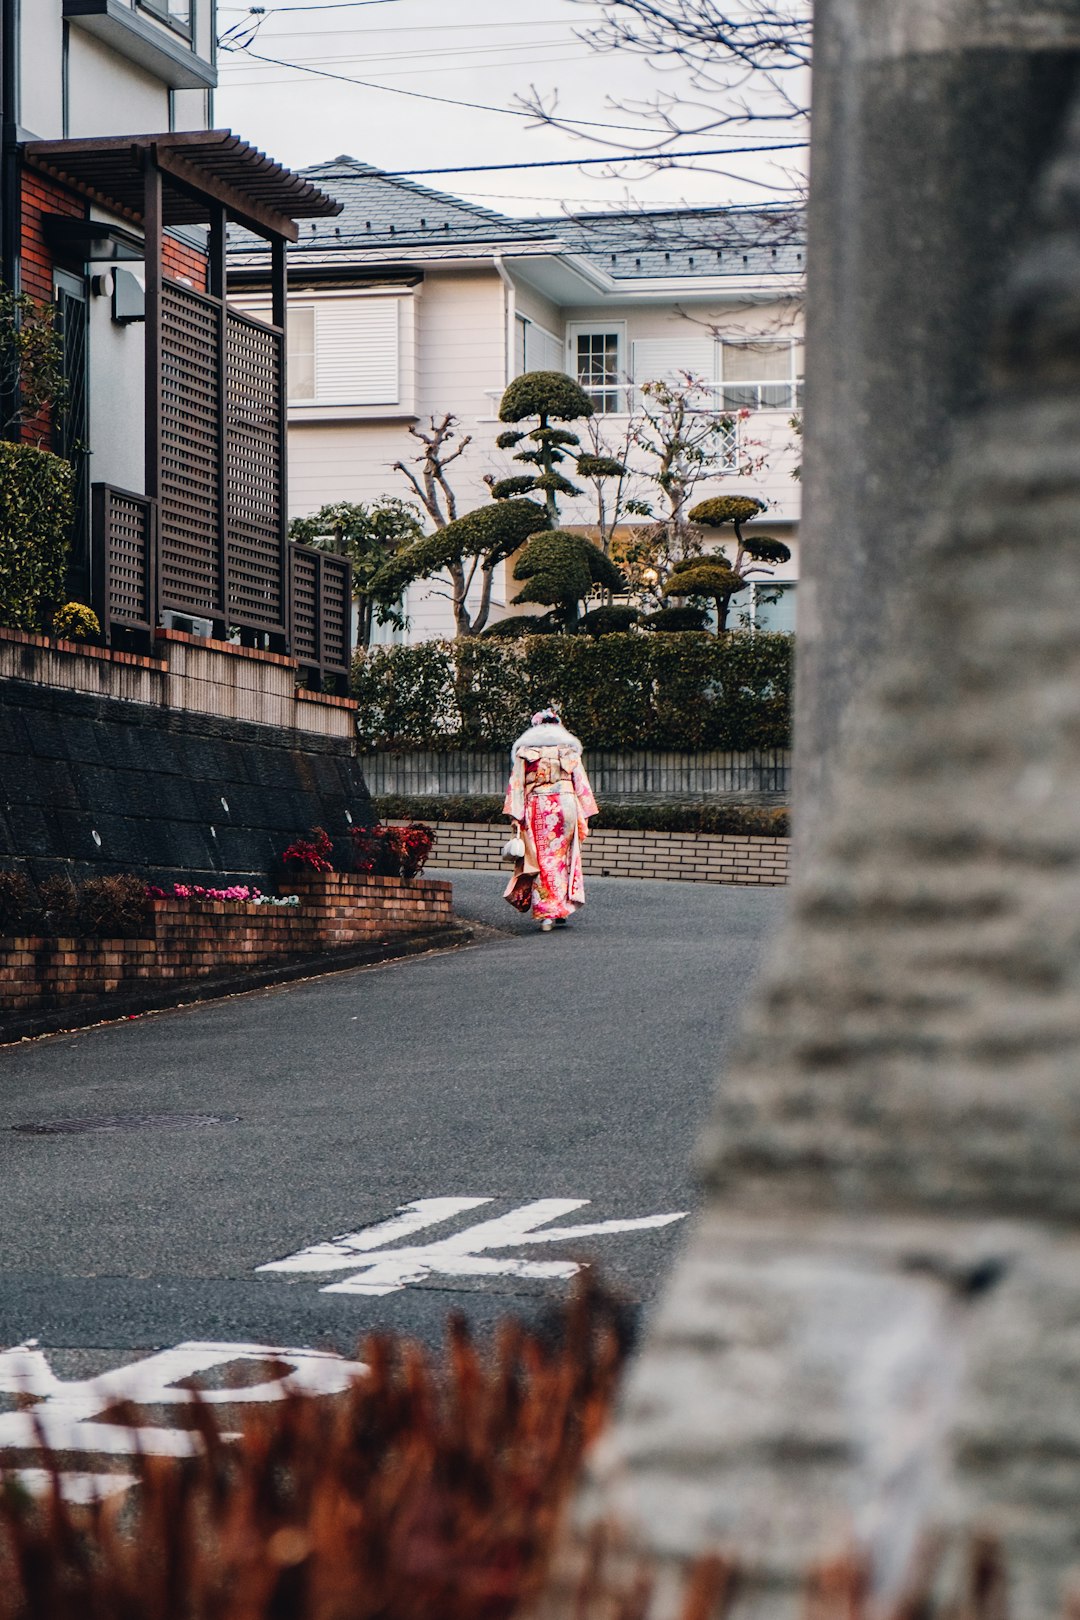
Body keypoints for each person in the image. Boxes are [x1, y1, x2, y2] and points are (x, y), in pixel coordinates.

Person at [503, 707, 598, 931]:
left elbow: (517, 785)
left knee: (543, 860)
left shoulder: (525, 750)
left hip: (538, 806)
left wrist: (516, 816)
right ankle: (563, 906)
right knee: (564, 858)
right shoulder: (568, 749)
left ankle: (547, 913)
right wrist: (584, 814)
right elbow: (580, 783)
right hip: (566, 805)